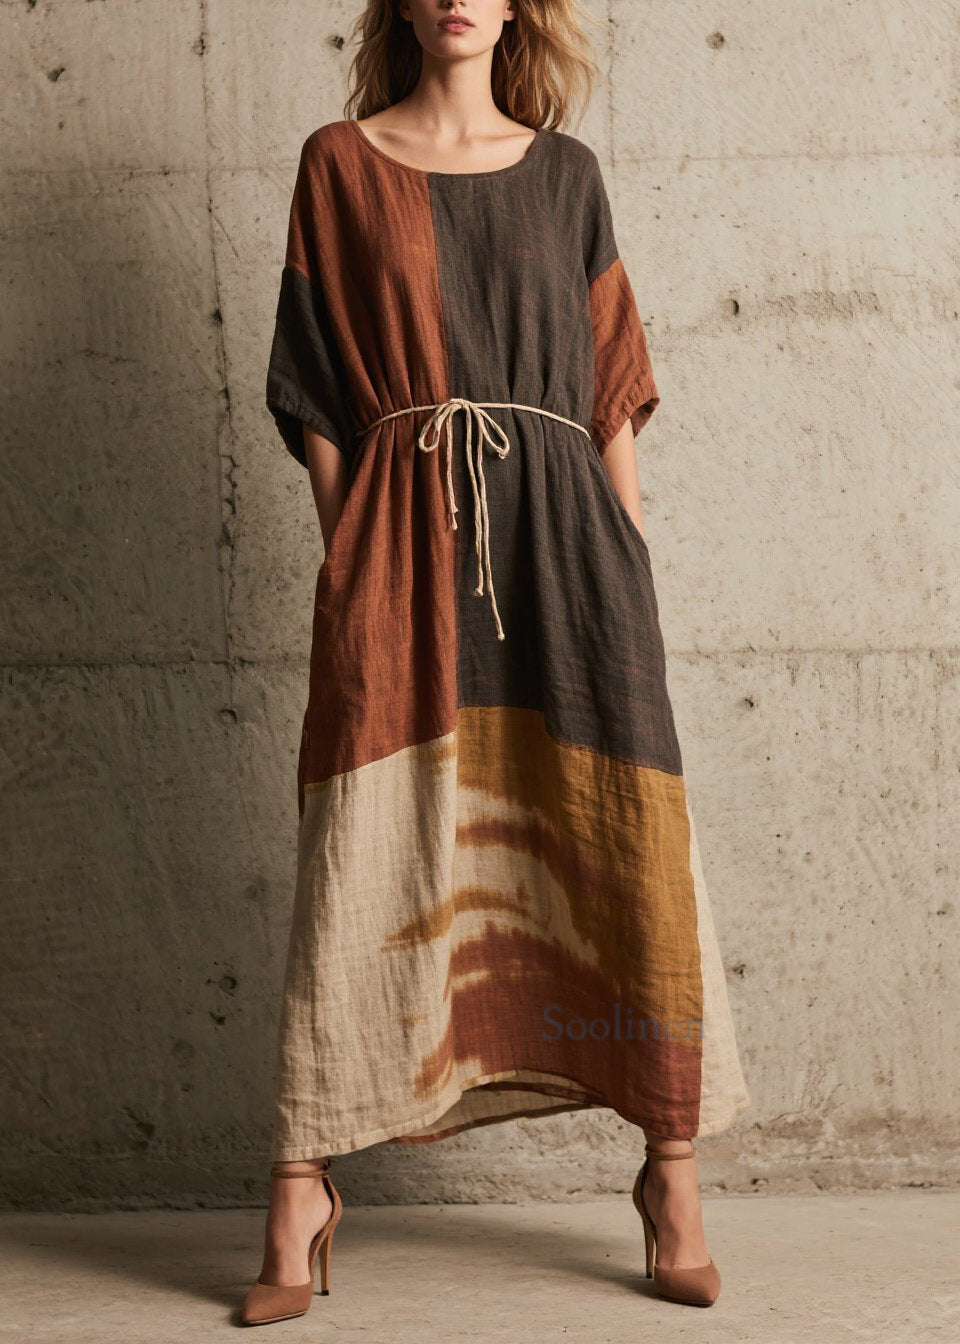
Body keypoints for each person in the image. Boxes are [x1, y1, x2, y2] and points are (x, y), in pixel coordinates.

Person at [242, 0, 750, 1325]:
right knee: (364, 849)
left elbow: (610, 383)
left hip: (569, 547)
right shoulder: (338, 164)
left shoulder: (566, 173)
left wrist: (627, 562)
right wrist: (353, 553)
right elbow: (314, 382)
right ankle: (300, 1187)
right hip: (400, 541)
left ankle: (672, 1175)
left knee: (622, 842)